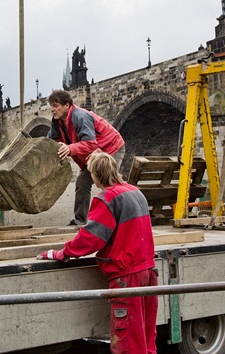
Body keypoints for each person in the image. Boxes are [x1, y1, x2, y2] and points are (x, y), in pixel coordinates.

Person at [37, 152, 157, 354]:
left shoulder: (107, 199)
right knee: (146, 339)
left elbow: (91, 239)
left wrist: (63, 253)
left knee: (128, 343)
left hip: (126, 277)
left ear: (96, 175)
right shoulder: (135, 192)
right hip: (148, 272)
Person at [46, 89, 125, 225]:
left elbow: (90, 144)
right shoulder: (57, 122)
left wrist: (70, 148)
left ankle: (121, 218)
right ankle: (80, 221)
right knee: (82, 181)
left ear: (67, 105)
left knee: (108, 181)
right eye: (51, 106)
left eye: (56, 106)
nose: (53, 109)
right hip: (94, 154)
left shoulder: (80, 117)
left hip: (111, 148)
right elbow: (49, 141)